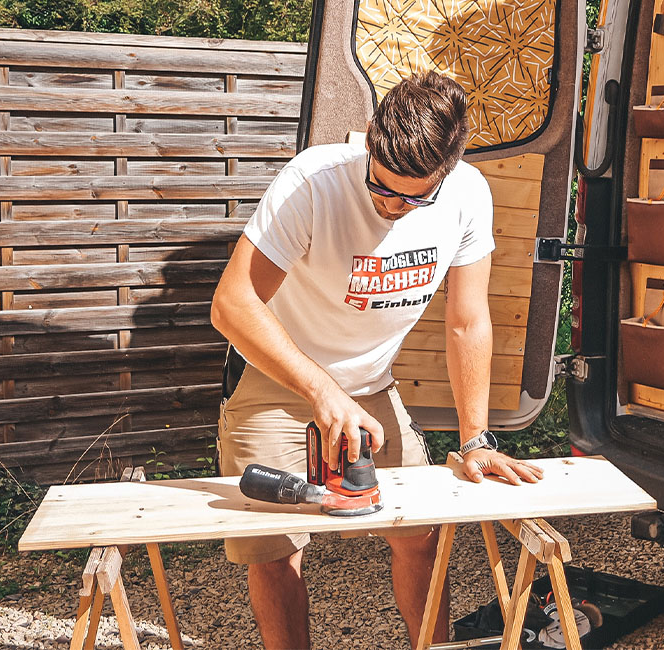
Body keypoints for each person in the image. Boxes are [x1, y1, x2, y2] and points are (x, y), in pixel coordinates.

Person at [210, 69, 543, 649]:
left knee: (422, 533)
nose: (393, 204)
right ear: (368, 143)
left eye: (416, 195)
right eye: (381, 186)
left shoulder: (468, 194)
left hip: (369, 383)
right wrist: (320, 391)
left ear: (450, 167)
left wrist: (475, 440)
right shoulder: (313, 181)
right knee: (275, 547)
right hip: (274, 381)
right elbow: (232, 304)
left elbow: (468, 322)